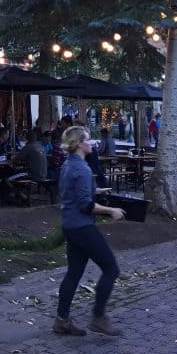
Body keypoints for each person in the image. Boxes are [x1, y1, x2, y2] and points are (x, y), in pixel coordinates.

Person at [53, 125, 125, 338]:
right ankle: (98, 318)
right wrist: (111, 210)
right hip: (83, 226)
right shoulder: (82, 169)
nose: (92, 142)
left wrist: (97, 190)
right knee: (111, 269)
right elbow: (86, 204)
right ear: (78, 144)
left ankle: (61, 320)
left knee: (74, 273)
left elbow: (72, 192)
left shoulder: (68, 165)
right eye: (88, 139)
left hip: (69, 225)